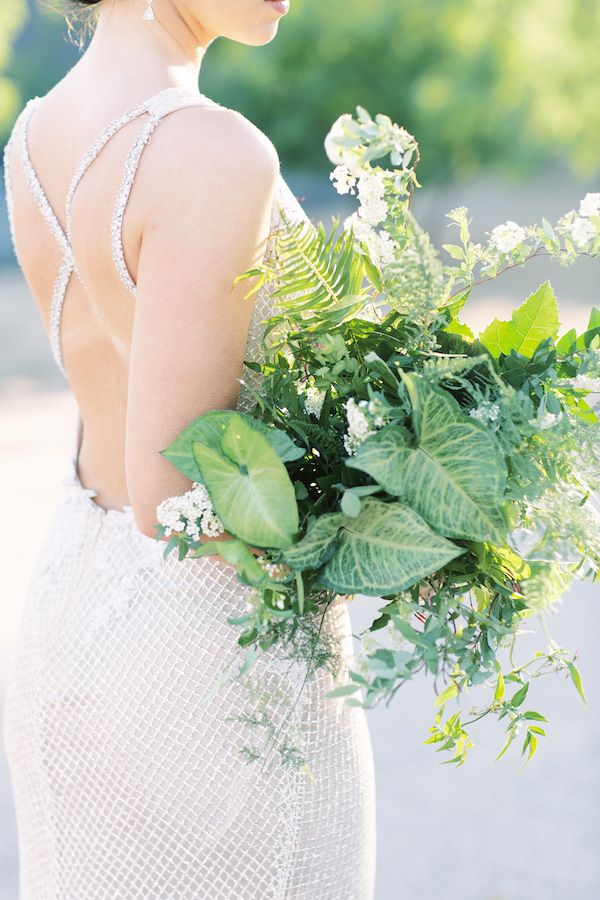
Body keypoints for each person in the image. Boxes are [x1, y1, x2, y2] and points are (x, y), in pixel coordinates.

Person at [1, 0, 377, 896]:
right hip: (208, 666)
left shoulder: (35, 128)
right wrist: (397, 523)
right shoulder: (212, 152)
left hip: (70, 610)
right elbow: (172, 494)